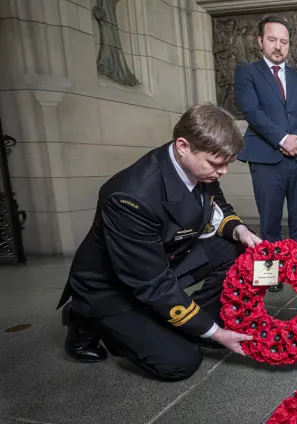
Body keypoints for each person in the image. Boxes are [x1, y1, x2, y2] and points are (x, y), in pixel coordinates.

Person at [56, 103, 260, 381]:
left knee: (234, 248)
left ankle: (197, 321)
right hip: (113, 286)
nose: (223, 171)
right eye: (216, 164)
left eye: (227, 163)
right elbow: (151, 283)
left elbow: (215, 203)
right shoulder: (130, 197)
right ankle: (84, 317)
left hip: (162, 258)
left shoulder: (197, 164)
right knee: (181, 362)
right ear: (183, 146)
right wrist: (214, 332)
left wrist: (239, 231)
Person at [234, 15, 297, 293]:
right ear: (260, 41)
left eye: (284, 41)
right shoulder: (247, 72)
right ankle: (270, 277)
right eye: (272, 40)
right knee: (269, 220)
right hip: (266, 157)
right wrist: (282, 139)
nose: (278, 46)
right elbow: (252, 112)